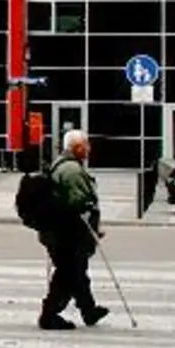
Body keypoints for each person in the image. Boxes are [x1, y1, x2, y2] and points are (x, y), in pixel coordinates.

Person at [38, 129, 110, 331]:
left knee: (77, 271)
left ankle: (88, 310)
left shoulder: (64, 164)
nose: (89, 148)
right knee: (68, 273)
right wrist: (91, 224)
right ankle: (49, 314)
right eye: (86, 144)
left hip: (61, 230)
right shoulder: (71, 170)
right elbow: (78, 202)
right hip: (67, 233)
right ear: (77, 147)